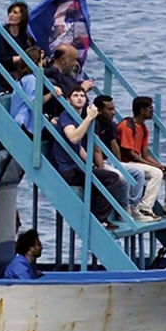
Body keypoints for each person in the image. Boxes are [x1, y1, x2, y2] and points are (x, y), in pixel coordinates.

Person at [50, 87, 121, 229]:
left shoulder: (78, 117)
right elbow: (74, 138)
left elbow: (80, 148)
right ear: (69, 100)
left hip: (77, 166)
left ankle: (97, 216)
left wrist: (91, 164)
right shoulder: (66, 116)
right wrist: (89, 118)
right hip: (68, 170)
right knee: (112, 178)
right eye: (75, 95)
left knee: (102, 178)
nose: (79, 98)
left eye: (82, 95)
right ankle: (100, 219)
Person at [116, 96, 166, 216]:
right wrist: (155, 167)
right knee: (156, 173)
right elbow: (131, 154)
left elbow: (145, 153)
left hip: (137, 162)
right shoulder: (126, 126)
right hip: (125, 163)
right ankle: (145, 207)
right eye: (150, 109)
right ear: (142, 110)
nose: (152, 112)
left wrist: (159, 165)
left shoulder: (144, 128)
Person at [93, 95, 149, 222]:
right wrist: (101, 168)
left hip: (110, 161)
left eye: (114, 109)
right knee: (122, 178)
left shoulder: (111, 124)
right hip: (98, 162)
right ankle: (123, 208)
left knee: (138, 173)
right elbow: (96, 149)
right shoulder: (95, 123)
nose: (113, 112)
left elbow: (114, 145)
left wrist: (119, 164)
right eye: (109, 109)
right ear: (100, 110)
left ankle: (133, 206)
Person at [9, 46, 61, 135]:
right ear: (35, 62)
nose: (44, 62)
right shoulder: (31, 79)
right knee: (61, 131)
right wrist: (52, 93)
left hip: (28, 120)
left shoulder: (26, 78)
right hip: (25, 123)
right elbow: (34, 103)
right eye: (41, 60)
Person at [43, 42, 95, 119]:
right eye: (73, 60)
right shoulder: (52, 77)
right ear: (63, 60)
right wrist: (82, 90)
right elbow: (63, 98)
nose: (75, 63)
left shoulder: (66, 75)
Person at [0, 1, 36, 91]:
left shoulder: (25, 35)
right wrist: (20, 58)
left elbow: (32, 51)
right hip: (5, 72)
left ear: (22, 17)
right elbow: (2, 59)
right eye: (10, 12)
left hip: (22, 70)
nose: (11, 15)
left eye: (15, 13)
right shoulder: (2, 33)